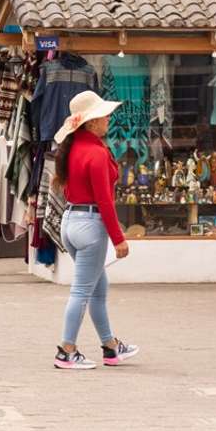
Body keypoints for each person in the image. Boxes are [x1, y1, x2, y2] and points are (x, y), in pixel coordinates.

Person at [50, 90, 140, 370]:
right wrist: (119, 239)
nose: (108, 119)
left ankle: (110, 347)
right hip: (90, 226)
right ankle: (67, 350)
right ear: (90, 123)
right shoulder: (97, 153)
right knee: (82, 292)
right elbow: (105, 201)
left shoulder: (73, 148)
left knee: (98, 287)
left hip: (71, 221)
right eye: (103, 115)